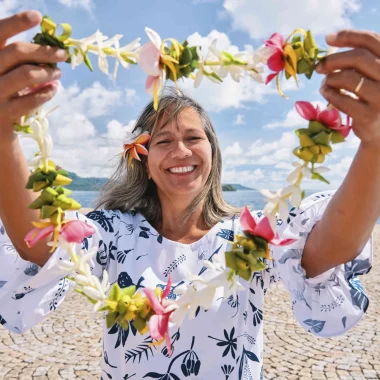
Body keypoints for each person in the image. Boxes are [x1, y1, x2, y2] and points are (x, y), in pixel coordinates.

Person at [0, 10, 378, 380]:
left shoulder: (250, 237)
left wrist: (374, 145)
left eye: (193, 138)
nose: (181, 151)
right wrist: (3, 135)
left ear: (213, 152)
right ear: (143, 161)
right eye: (163, 141)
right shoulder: (113, 232)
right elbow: (43, 247)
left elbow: (325, 252)